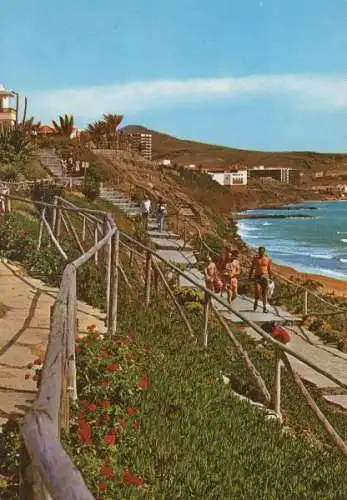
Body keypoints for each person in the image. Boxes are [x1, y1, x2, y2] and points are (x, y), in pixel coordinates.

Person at [249, 246, 272, 313]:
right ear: (258, 252)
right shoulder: (256, 259)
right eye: (260, 251)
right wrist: (250, 276)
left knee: (264, 293)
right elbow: (252, 268)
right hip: (257, 277)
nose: (261, 253)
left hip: (265, 277)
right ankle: (256, 301)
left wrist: (270, 278)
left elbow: (269, 269)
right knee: (257, 291)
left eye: (262, 251)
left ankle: (264, 307)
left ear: (264, 252)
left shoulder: (267, 259)